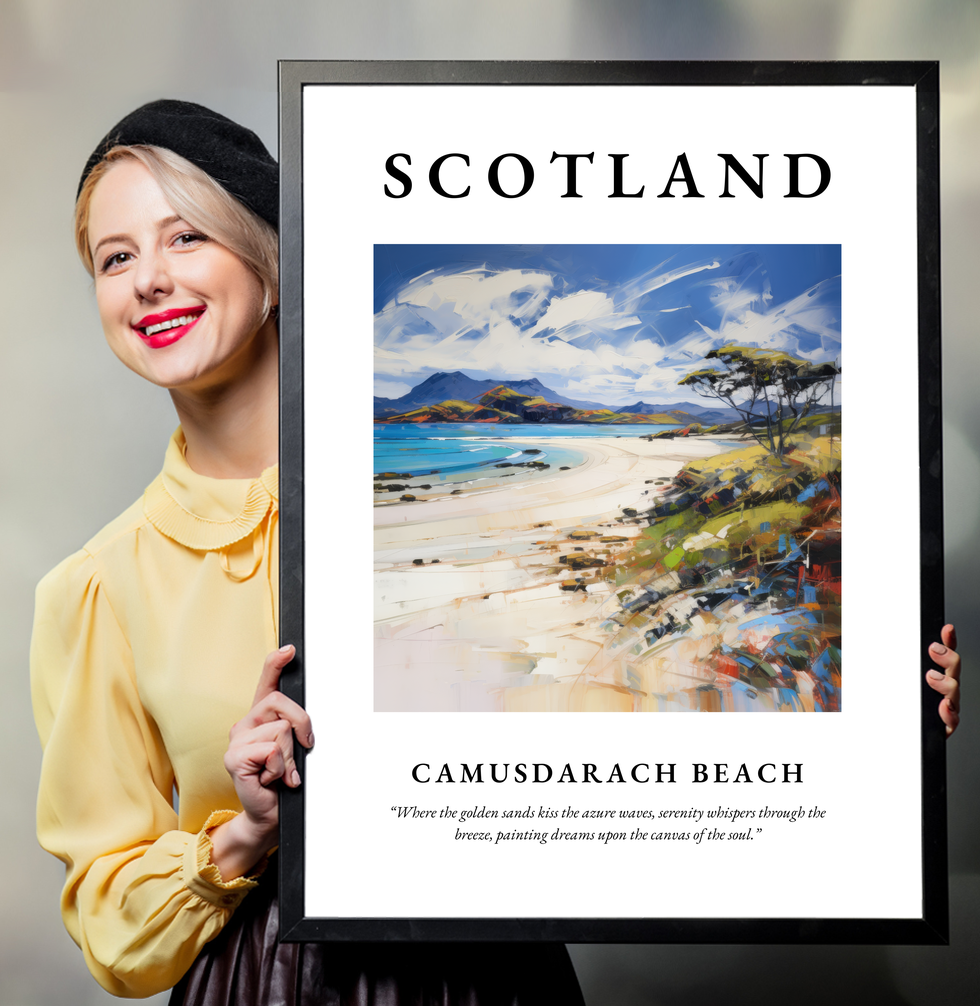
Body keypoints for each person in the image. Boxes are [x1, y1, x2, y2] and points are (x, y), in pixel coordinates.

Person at [30, 100, 586, 1004]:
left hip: (493, 972)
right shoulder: (97, 587)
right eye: (116, 257)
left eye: (186, 238)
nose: (148, 281)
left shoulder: (459, 508)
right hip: (262, 981)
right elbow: (110, 923)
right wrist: (245, 832)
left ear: (273, 264)